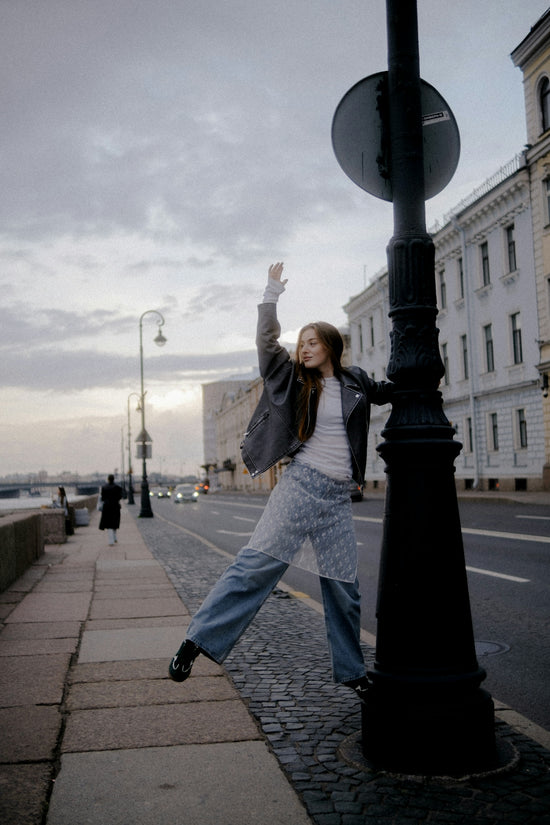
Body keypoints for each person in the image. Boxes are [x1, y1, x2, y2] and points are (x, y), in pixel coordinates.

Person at [169, 263, 393, 699]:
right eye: (301, 343)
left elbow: (389, 390)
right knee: (255, 569)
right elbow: (267, 342)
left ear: (330, 345)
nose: (304, 348)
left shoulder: (356, 382)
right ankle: (195, 641)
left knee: (344, 587)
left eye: (312, 342)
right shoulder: (290, 377)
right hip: (300, 486)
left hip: (336, 498)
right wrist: (271, 295)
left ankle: (352, 673)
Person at [98, 474, 123, 546]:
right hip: (115, 506)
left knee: (109, 524)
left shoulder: (104, 487)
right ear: (113, 479)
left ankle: (111, 540)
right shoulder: (118, 487)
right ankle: (115, 537)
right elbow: (120, 496)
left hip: (107, 507)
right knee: (114, 522)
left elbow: (102, 498)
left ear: (108, 479)